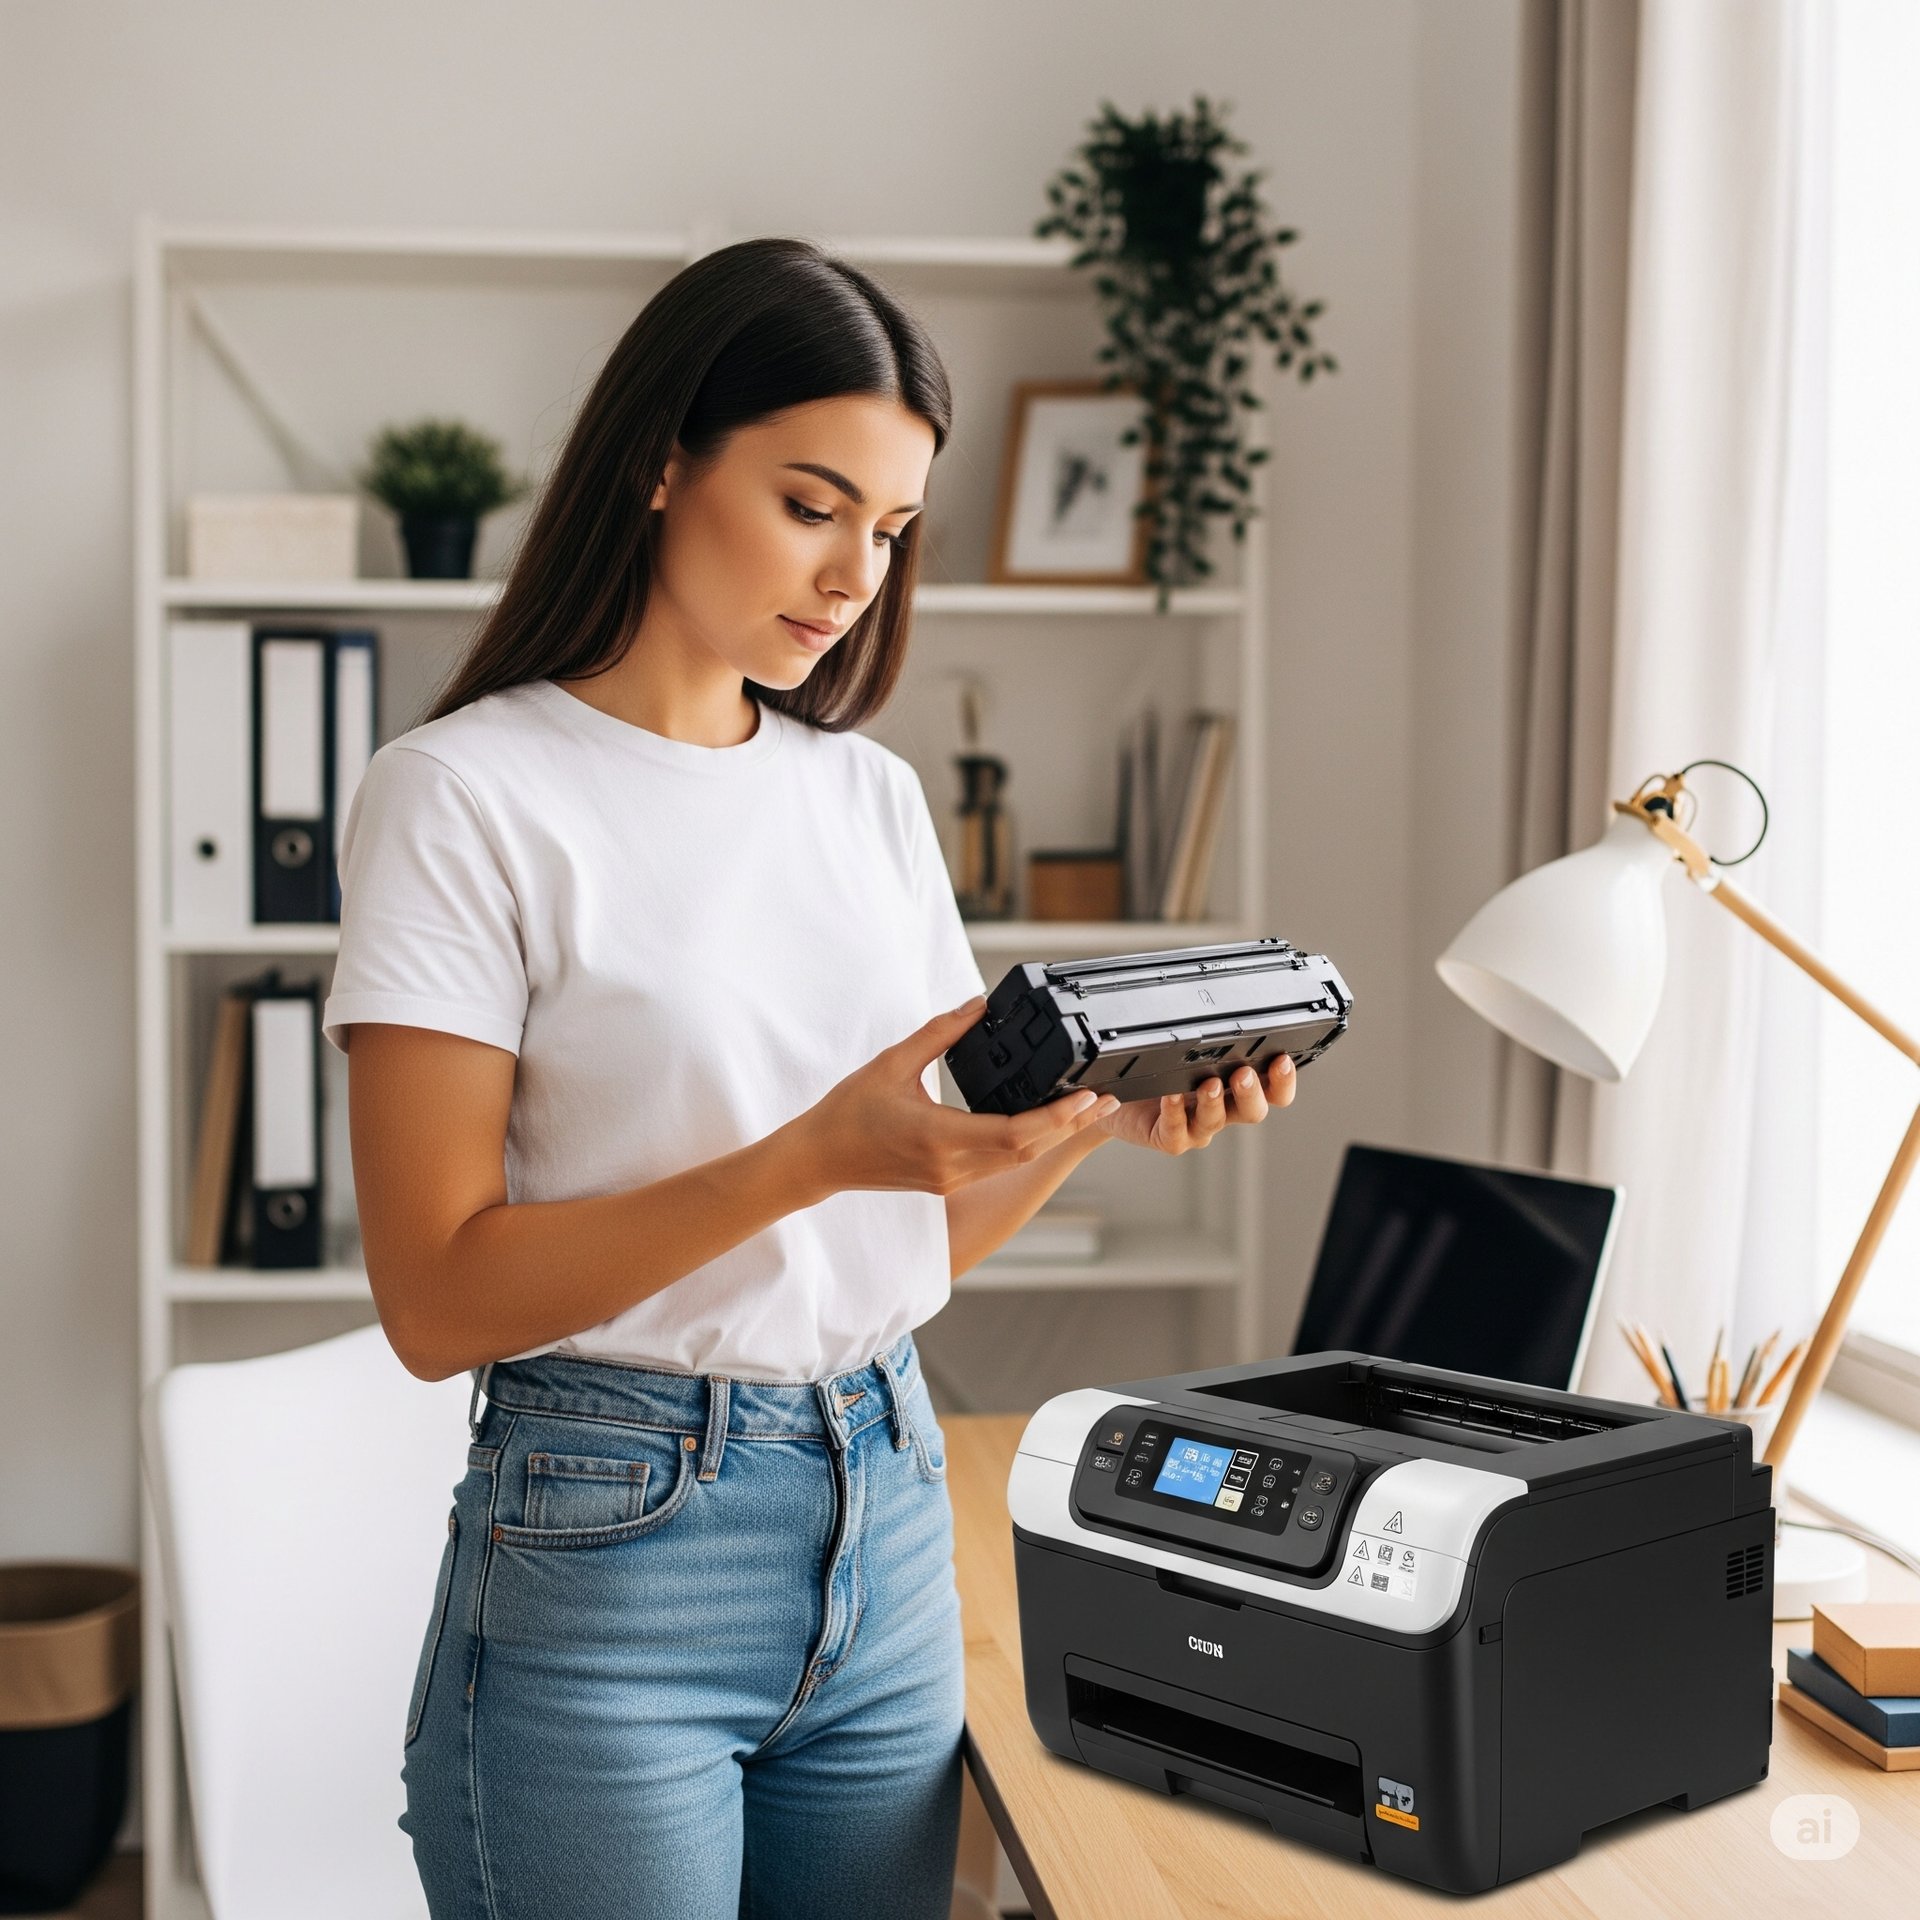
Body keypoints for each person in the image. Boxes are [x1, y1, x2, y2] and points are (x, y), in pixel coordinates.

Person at [321, 236, 1299, 1920]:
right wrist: (809, 1157)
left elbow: (894, 1249)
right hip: (611, 1552)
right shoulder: (465, 796)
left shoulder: (868, 802)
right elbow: (435, 1297)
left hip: (885, 1506)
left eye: (893, 529)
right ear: (660, 461)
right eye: (810, 502)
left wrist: (1086, 1126)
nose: (855, 573)